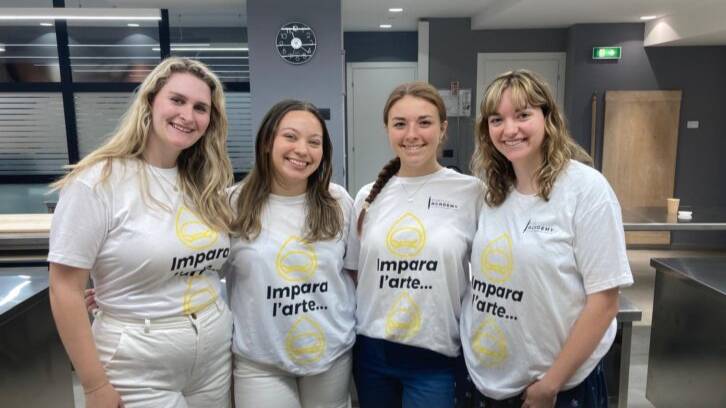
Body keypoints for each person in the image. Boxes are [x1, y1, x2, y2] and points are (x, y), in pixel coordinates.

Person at [48, 57, 235, 408]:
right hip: (138, 362)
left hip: (213, 355)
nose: (187, 115)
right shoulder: (97, 181)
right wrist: (94, 385)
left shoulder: (204, 184)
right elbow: (64, 289)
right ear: (150, 101)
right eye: (177, 100)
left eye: (200, 108)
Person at [460, 69, 633, 408]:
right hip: (486, 379)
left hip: (553, 389)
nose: (509, 129)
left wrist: (549, 385)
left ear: (547, 117)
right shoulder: (492, 190)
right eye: (497, 119)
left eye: (523, 115)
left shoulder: (585, 189)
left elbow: (605, 301)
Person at [348, 82, 484, 407]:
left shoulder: (471, 192)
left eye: (424, 122)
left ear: (442, 128)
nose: (412, 134)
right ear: (387, 130)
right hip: (372, 354)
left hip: (435, 355)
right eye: (400, 124)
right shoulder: (367, 196)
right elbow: (354, 274)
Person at [224, 100, 357, 408]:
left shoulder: (338, 201)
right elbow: (202, 270)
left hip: (330, 353)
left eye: (314, 142)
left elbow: (354, 273)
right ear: (268, 140)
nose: (302, 149)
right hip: (260, 358)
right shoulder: (232, 203)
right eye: (290, 137)